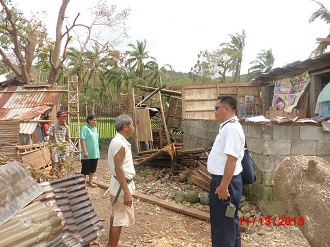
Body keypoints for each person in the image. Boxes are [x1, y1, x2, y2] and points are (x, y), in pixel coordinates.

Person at [207, 95, 245, 247]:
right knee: (229, 221)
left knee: (222, 226)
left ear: (227, 109)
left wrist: (223, 187)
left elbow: (232, 160)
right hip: (225, 180)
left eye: (217, 108)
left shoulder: (231, 128)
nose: (214, 112)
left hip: (225, 182)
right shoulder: (228, 126)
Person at [107, 114, 136, 247]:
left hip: (117, 185)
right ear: (125, 127)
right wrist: (126, 191)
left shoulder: (117, 141)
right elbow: (119, 169)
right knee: (118, 221)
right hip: (121, 187)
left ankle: (110, 244)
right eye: (132, 125)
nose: (133, 128)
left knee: (115, 217)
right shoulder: (120, 144)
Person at [80, 114, 100, 187]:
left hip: (95, 153)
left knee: (92, 169)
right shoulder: (85, 128)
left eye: (96, 120)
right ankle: (83, 184)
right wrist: (85, 151)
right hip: (87, 153)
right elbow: (82, 140)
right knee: (85, 170)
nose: (95, 121)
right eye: (93, 120)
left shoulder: (95, 128)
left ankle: (90, 182)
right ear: (89, 120)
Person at [49, 110, 70, 177]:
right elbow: (50, 140)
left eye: (65, 117)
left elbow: (67, 138)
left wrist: (68, 147)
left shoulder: (66, 127)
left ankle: (59, 180)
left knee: (62, 166)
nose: (64, 118)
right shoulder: (53, 126)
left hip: (63, 148)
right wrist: (51, 152)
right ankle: (52, 179)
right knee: (54, 165)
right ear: (58, 118)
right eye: (62, 117)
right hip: (55, 148)